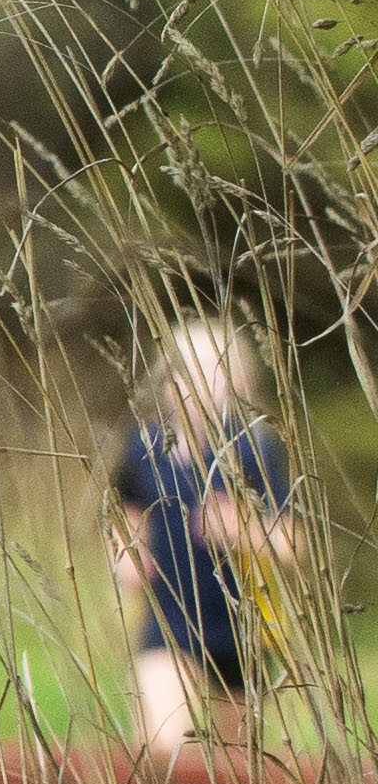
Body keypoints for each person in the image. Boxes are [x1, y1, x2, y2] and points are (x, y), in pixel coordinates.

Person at [116, 315, 301, 752]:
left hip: (243, 627)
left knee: (241, 768)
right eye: (186, 372)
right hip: (170, 621)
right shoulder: (143, 448)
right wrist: (127, 551)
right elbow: (127, 510)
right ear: (166, 381)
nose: (199, 385)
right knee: (164, 750)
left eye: (215, 372)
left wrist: (242, 527)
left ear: (237, 381)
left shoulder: (253, 449)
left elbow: (293, 542)